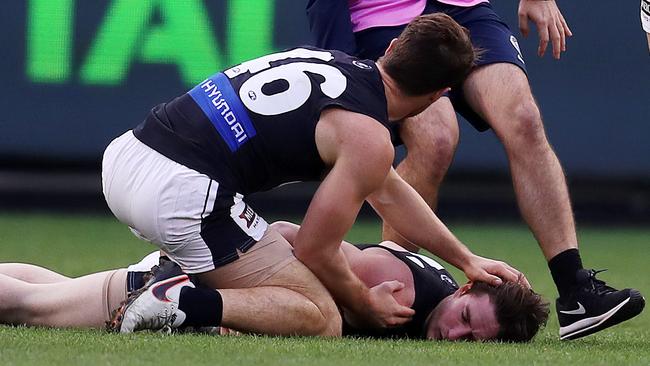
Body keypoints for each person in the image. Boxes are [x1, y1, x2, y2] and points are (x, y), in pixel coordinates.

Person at [101, 13, 525, 336]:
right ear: (438, 96)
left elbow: (390, 192)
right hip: (182, 190)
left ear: (394, 46)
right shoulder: (369, 138)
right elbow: (315, 250)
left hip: (128, 153)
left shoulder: (330, 62)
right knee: (320, 315)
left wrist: (467, 259)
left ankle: (43, 292)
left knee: (81, 299)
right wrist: (363, 301)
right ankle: (179, 301)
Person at [305, 0, 645, 340]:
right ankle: (394, 290)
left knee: (523, 119)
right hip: (383, 15)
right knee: (436, 138)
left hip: (463, 8)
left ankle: (576, 292)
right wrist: (340, 60)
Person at [0, 221, 549, 342]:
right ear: (464, 291)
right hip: (191, 282)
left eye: (475, 340)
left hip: (203, 274)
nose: (457, 336)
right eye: (467, 321)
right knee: (31, 308)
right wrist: (355, 300)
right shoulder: (399, 288)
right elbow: (294, 238)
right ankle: (180, 299)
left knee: (54, 288)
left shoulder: (434, 292)